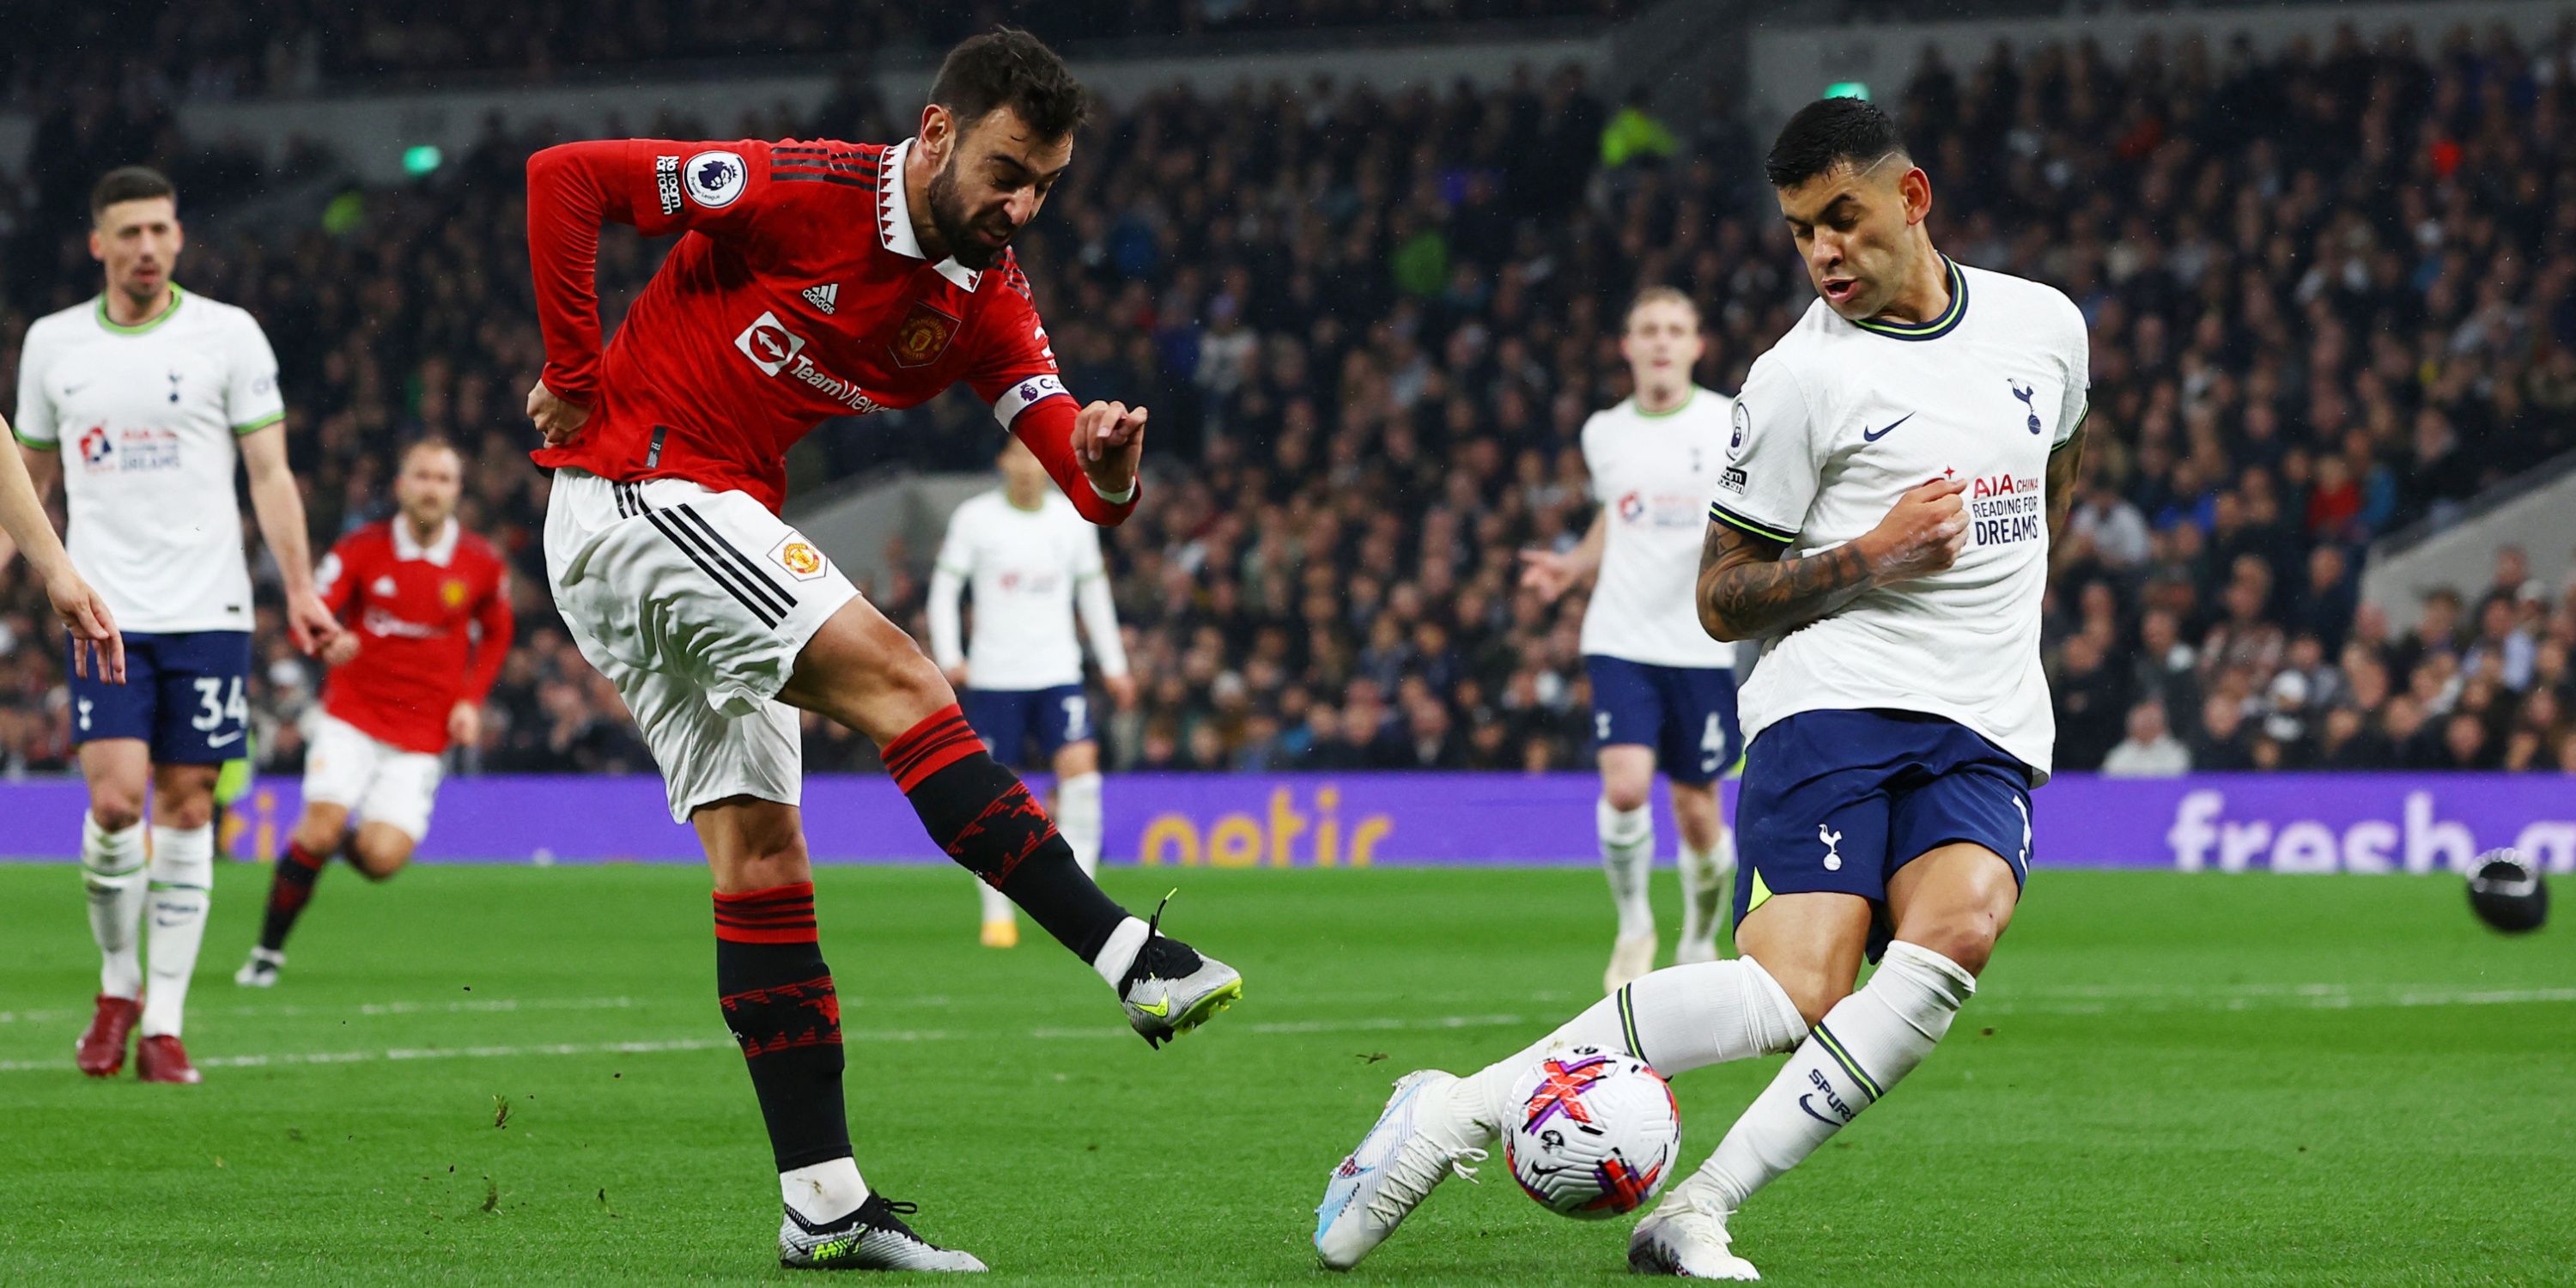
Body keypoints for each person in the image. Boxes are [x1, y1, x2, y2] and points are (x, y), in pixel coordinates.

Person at [1316, 97, 2091, 1279]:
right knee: (1796, 990)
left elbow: (2060, 461)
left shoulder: (2044, 327)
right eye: (1798, 232)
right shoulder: (1795, 381)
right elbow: (1721, 595)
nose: (1824, 251)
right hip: (1834, 699)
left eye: (1842, 219)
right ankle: (1450, 1116)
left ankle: (1696, 1210)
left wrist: (2023, 581)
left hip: (1987, 715)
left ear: (1912, 197)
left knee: (1956, 944)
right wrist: (1870, 557)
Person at [520, 28, 1239, 1271]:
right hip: (640, 490)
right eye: (1010, 171)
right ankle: (1131, 956)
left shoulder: (986, 296)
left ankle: (823, 1202)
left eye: (1048, 186)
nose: (1023, 206)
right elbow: (564, 178)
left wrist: (1110, 471)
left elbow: (1067, 453)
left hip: (691, 521)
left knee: (761, 855)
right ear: (940, 131)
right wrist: (575, 374)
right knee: (904, 675)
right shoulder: (802, 189)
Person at [4, 166, 335, 1084]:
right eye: (129, 232)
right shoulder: (53, 344)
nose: (147, 246)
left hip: (211, 610)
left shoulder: (228, 334)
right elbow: (26, 487)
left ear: (179, 237)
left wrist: (299, 589)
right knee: (115, 804)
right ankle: (117, 987)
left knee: (190, 805)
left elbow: (270, 475)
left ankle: (166, 1023)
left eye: (160, 229)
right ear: (98, 244)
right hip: (104, 605)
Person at [1519, 287, 1741, 994]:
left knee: (1697, 811)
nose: (1661, 341)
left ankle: (1700, 934)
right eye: (1648, 329)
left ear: (1697, 345)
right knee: (1624, 788)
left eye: (1676, 329)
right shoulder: (1604, 432)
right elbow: (1617, 519)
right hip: (1619, 633)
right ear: (1627, 345)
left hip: (1701, 642)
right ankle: (1635, 925)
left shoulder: (1727, 422)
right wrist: (1571, 567)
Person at [235, 439, 513, 986]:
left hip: (422, 733)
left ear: (457, 491)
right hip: (351, 716)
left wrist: (470, 699)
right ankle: (267, 953)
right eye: (422, 476)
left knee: (383, 860)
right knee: (318, 830)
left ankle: (325, 842)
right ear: (402, 486)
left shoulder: (480, 563)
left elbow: (499, 631)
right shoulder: (361, 549)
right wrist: (323, 640)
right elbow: (308, 614)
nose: (432, 488)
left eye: (443, 478)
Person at [928, 436, 1137, 947]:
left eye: (1035, 457)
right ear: (1002, 462)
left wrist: (1114, 664)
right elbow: (944, 588)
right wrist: (951, 656)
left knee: (1082, 777)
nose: (1027, 467)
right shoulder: (975, 519)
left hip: (1057, 672)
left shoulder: (1070, 520)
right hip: (996, 678)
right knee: (995, 797)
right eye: (1018, 456)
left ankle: (1083, 896)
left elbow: (1093, 593)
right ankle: (997, 914)